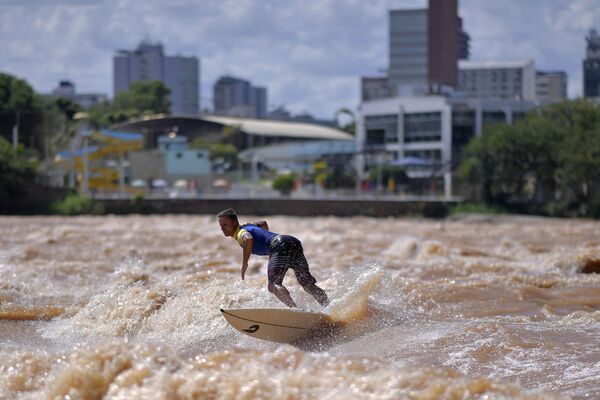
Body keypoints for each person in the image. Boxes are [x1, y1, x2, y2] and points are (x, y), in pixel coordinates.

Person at [217, 208, 329, 308]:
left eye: (225, 225)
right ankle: (328, 305)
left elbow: (248, 239)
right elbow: (263, 223)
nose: (222, 229)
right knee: (307, 284)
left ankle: (295, 310)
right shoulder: (247, 225)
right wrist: (266, 238)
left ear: (235, 222)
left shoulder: (240, 233)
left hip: (279, 245)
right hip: (292, 242)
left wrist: (245, 263)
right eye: (221, 226)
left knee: (273, 285)